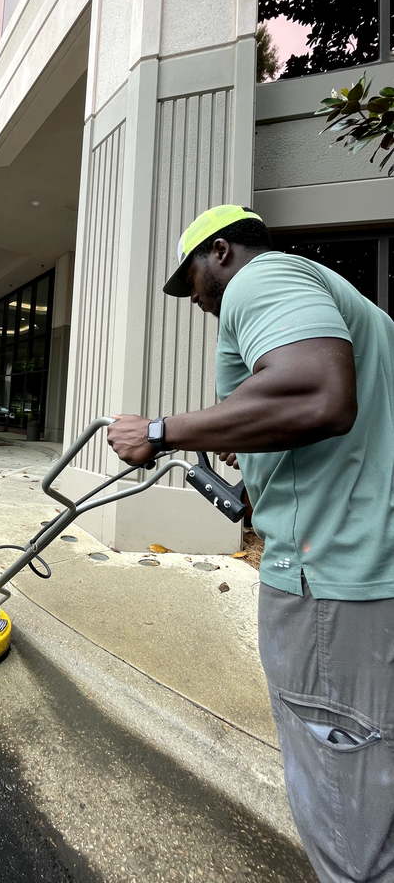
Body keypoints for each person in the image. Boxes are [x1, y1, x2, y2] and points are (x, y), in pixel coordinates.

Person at [107, 204, 394, 883]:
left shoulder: (260, 281)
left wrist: (158, 432)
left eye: (195, 281)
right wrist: (253, 450)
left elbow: (319, 394)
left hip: (329, 578)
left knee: (346, 812)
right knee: (375, 776)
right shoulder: (355, 308)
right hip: (374, 567)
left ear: (222, 252)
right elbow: (335, 417)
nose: (199, 300)